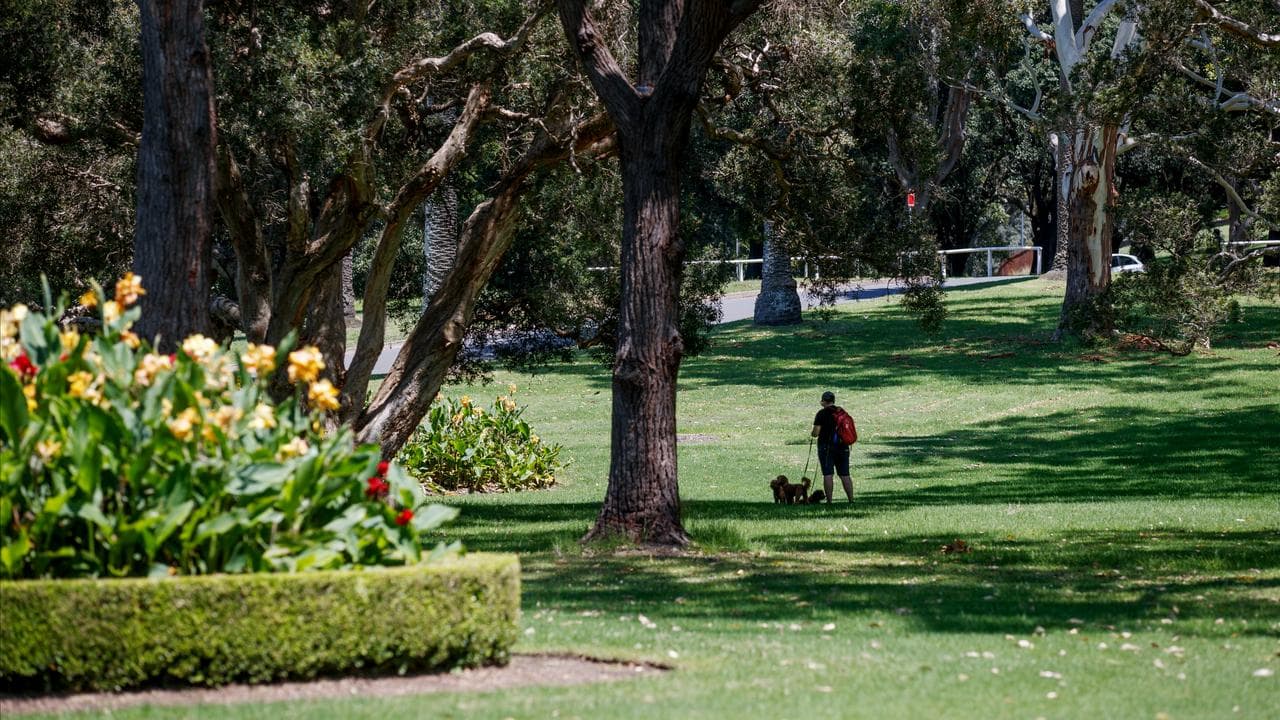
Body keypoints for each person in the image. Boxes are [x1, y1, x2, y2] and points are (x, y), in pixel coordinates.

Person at [811, 390, 853, 503]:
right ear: (833, 401)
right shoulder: (842, 412)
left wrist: (813, 433)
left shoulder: (821, 413)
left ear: (823, 401)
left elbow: (816, 433)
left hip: (826, 448)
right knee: (845, 474)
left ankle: (829, 501)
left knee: (828, 474)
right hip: (843, 447)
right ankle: (851, 500)